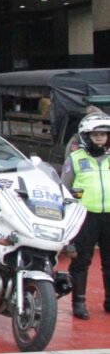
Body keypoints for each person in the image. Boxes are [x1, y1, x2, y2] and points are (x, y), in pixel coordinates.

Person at [62, 112, 110, 319]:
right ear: (86, 136)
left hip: (109, 215)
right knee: (81, 261)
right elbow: (64, 189)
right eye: (95, 134)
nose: (100, 138)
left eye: (104, 134)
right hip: (85, 217)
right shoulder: (75, 159)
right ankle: (79, 303)